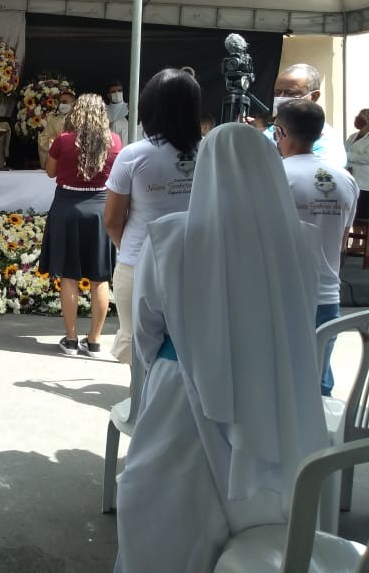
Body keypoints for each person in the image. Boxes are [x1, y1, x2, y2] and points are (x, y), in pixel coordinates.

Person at [114, 123, 329, 572]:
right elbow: (298, 317)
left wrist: (175, 361)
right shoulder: (302, 240)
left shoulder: (169, 237)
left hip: (184, 388)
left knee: (161, 502)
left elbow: (148, 325)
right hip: (276, 387)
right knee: (260, 505)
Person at [104, 69, 201, 366]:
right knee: (187, 350)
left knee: (139, 352)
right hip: (196, 266)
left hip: (139, 265)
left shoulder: (134, 155)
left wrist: (133, 247)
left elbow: (111, 219)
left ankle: (140, 409)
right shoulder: (210, 152)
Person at [276, 99, 358, 396]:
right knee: (318, 384)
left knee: (285, 388)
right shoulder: (346, 180)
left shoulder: (276, 175)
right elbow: (341, 238)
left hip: (285, 295)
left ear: (279, 132)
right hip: (327, 294)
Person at [38, 93, 122, 356]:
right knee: (100, 277)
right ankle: (95, 340)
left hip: (67, 207)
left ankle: (71, 340)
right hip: (100, 209)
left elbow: (50, 172)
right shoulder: (115, 141)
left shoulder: (63, 140)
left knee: (69, 275)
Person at [265, 62, 347, 167]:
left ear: (314, 96)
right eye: (277, 93)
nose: (281, 98)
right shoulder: (270, 130)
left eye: (291, 93)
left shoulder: (328, 143)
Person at [37, 87, 76, 169]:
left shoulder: (80, 120)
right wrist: (55, 142)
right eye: (60, 102)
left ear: (73, 103)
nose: (62, 104)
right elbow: (43, 139)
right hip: (56, 159)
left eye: (65, 102)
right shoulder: (53, 121)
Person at [345, 108, 369, 219]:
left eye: (362, 118)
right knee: (354, 216)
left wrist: (349, 156)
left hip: (365, 183)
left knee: (365, 217)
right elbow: (343, 151)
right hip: (351, 179)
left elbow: (366, 157)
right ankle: (355, 237)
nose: (358, 120)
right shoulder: (353, 136)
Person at [105, 80, 129, 145]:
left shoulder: (130, 108)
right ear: (108, 95)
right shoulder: (103, 109)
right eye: (113, 92)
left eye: (119, 90)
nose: (117, 93)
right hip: (110, 145)